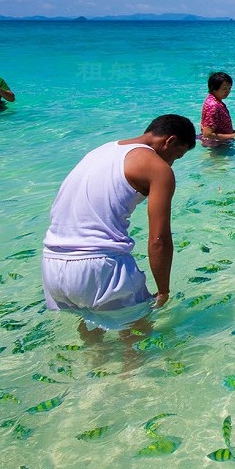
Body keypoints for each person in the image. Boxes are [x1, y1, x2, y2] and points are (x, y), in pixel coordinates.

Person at [41, 115, 196, 330]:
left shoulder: (101, 150)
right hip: (100, 266)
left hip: (52, 264)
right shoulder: (158, 169)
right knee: (136, 341)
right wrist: (163, 291)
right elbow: (158, 239)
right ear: (168, 141)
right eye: (176, 156)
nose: (171, 163)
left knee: (91, 336)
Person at [200, 71, 235, 146]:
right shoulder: (213, 106)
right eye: (224, 89)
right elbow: (207, 134)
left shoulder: (216, 101)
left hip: (220, 144)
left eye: (229, 88)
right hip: (216, 146)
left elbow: (219, 128)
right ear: (214, 88)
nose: (228, 91)